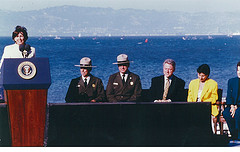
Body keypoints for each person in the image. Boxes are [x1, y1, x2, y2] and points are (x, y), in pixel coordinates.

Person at [223, 61, 240, 140]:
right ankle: (233, 134)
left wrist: (236, 106)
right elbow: (229, 96)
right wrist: (232, 106)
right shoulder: (231, 81)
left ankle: (238, 135)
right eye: (238, 70)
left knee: (238, 114)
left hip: (239, 106)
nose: (239, 72)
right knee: (226, 113)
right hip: (232, 105)